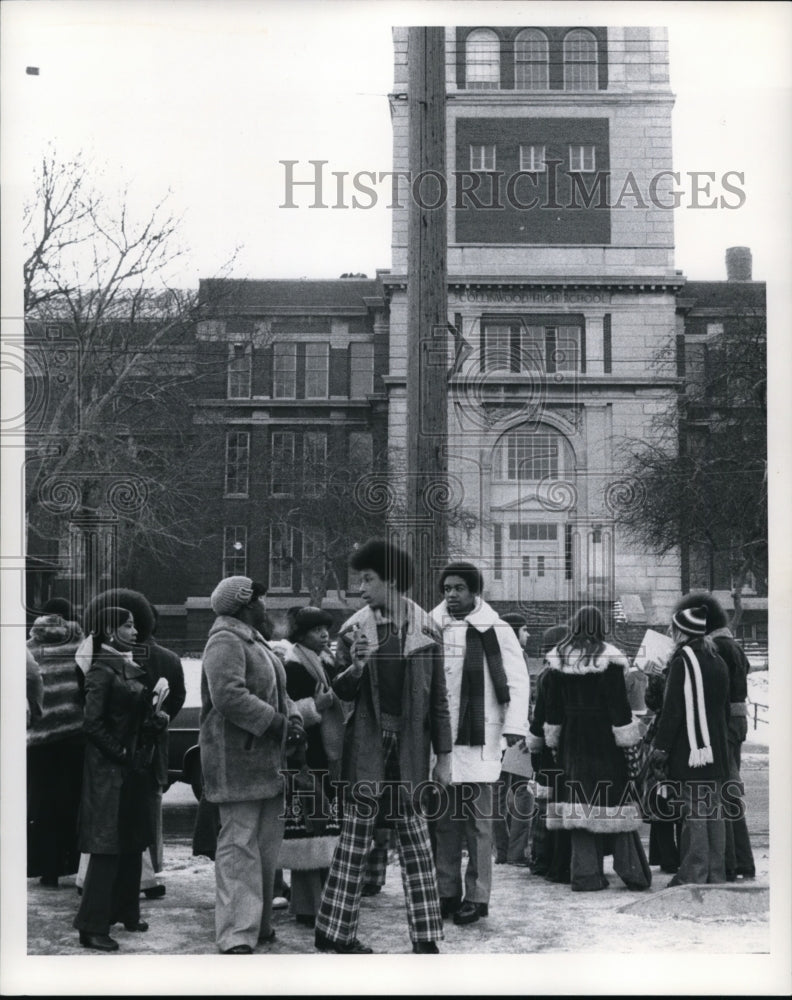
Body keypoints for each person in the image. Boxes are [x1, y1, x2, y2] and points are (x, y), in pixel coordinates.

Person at [314, 538, 452, 955]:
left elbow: (439, 700)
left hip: (409, 751)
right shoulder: (353, 630)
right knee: (355, 843)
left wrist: (444, 758)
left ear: (391, 580)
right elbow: (338, 694)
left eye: (368, 579)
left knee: (415, 843)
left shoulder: (428, 628)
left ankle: (426, 938)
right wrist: (355, 667)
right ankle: (334, 934)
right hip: (366, 749)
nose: (361, 588)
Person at [199, 576, 305, 954]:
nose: (266, 604)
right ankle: (235, 934)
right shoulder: (225, 641)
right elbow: (228, 696)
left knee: (263, 848)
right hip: (237, 762)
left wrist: (292, 718)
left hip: (266, 764)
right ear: (245, 604)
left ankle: (257, 925)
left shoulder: (253, 639)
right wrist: (276, 723)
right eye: (261, 599)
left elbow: (283, 691)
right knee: (238, 848)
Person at [430, 563, 529, 925]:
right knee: (445, 823)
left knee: (480, 825)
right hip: (441, 742)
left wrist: (514, 727)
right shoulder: (430, 626)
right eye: (446, 588)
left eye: (458, 588)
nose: (451, 594)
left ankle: (478, 895)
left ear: (474, 592)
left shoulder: (496, 630)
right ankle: (446, 892)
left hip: (481, 738)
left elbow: (517, 682)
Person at [72, 606, 168, 951]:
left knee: (131, 841)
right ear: (110, 631)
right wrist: (123, 753)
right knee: (107, 848)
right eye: (127, 626)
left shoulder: (122, 665)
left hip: (128, 769)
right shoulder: (102, 669)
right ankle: (92, 924)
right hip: (111, 773)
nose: (134, 631)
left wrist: (153, 721)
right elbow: (93, 724)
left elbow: (128, 717)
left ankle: (126, 910)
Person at [80, 589, 186, 901]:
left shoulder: (96, 659)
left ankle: (102, 886)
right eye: (126, 625)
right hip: (135, 752)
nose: (134, 630)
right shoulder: (163, 658)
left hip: (118, 753)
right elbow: (175, 697)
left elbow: (88, 708)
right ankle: (142, 881)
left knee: (110, 824)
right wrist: (160, 720)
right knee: (138, 819)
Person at [543, 606, 651, 893]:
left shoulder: (558, 659)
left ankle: (585, 874)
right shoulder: (610, 659)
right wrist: (629, 739)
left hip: (571, 741)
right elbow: (619, 708)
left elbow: (551, 712)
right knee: (614, 803)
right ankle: (633, 872)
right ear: (601, 627)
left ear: (574, 625)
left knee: (578, 806)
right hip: (603, 740)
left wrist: (552, 741)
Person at [671, 592, 755, 881]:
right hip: (729, 728)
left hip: (717, 731)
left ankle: (729, 862)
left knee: (717, 798)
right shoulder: (728, 646)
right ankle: (735, 861)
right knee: (725, 797)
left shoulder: (713, 649)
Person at [650, 605, 731, 887]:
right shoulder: (716, 659)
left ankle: (694, 873)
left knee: (694, 812)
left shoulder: (682, 662)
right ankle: (716, 872)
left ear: (681, 631)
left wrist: (660, 748)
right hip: (716, 748)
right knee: (714, 812)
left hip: (692, 750)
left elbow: (673, 710)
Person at [279, 607, 345, 928]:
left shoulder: (322, 663)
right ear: (301, 634)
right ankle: (307, 906)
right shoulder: (293, 666)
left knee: (321, 825)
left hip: (322, 753)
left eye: (325, 628)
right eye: (316, 629)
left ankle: (319, 900)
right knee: (307, 826)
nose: (324, 634)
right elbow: (291, 711)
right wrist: (315, 706)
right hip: (305, 756)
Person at [26, 601, 85, 889]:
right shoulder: (81, 647)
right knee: (71, 802)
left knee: (41, 803)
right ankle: (68, 863)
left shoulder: (28, 648)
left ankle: (45, 868)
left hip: (37, 741)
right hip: (74, 737)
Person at [525, 623, 572, 882]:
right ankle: (558, 858)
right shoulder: (573, 673)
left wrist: (535, 745)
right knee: (560, 806)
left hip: (545, 749)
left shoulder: (547, 675)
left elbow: (538, 717)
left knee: (545, 807)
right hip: (567, 749)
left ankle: (542, 859)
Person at [493, 612, 533, 867]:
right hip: (514, 733)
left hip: (502, 732)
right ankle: (514, 852)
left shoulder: (495, 656)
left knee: (499, 794)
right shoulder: (517, 657)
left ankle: (505, 851)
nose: (528, 635)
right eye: (525, 630)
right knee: (521, 792)